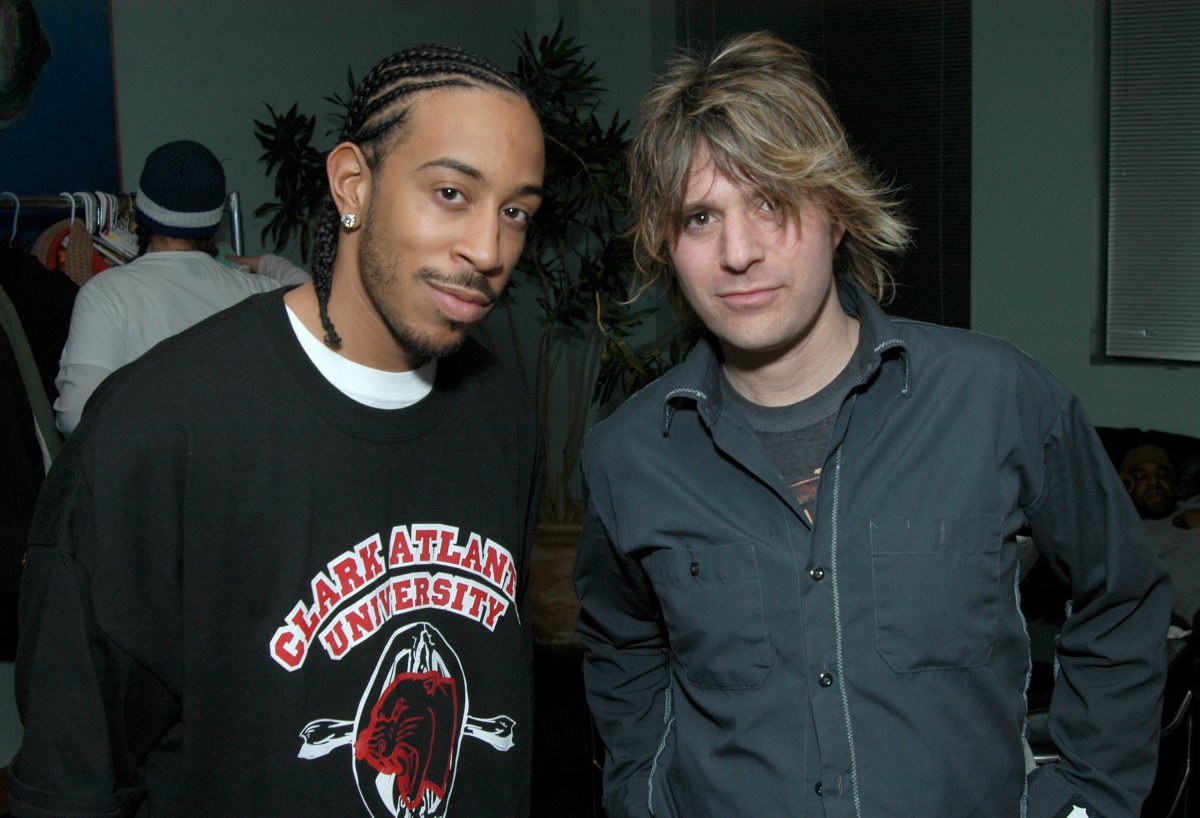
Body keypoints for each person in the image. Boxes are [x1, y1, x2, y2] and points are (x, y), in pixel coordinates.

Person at [574, 32, 1169, 818]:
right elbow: (623, 647)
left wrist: (1088, 798)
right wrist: (641, 795)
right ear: (668, 246)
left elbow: (1122, 597)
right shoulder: (629, 455)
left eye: (771, 202)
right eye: (699, 218)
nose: (740, 251)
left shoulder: (997, 397)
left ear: (837, 211)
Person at [11, 44, 545, 817]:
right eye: (452, 193)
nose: (490, 250)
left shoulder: (501, 412)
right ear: (353, 184)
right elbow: (74, 778)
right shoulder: (158, 428)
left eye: (516, 211)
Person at [53, 139, 310, 435]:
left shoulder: (106, 294)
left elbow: (77, 416)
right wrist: (266, 262)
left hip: (148, 475)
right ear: (215, 219)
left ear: (142, 212)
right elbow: (318, 298)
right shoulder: (261, 293)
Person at [1121, 443, 1200, 624]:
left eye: (1163, 474)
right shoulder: (1124, 530)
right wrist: (1112, 488)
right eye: (1140, 477)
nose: (1153, 481)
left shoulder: (1194, 503)